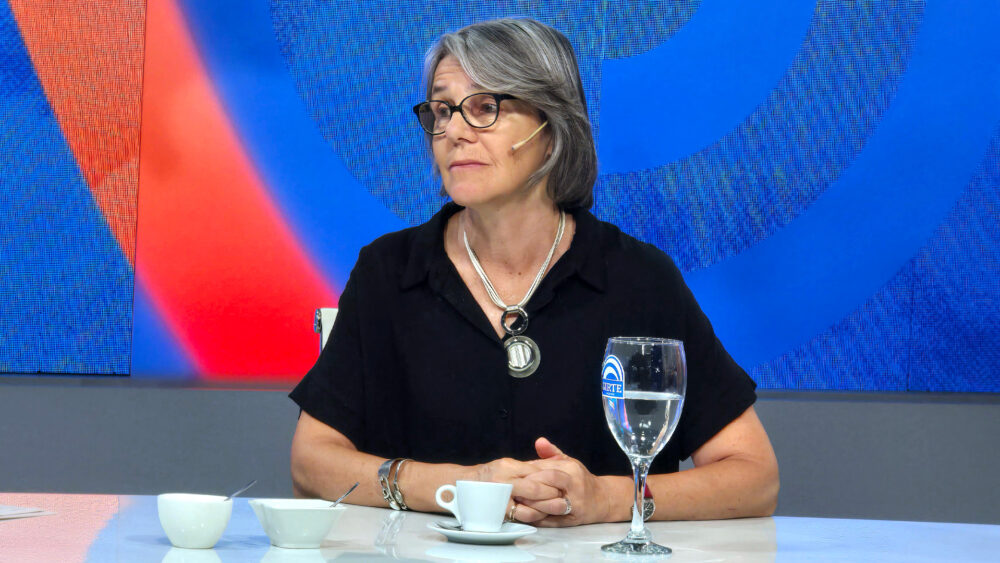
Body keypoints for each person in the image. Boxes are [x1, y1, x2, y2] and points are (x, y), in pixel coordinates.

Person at [289, 17, 778, 526]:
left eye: (485, 108)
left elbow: (754, 477)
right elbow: (311, 461)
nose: (453, 131)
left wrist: (608, 499)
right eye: (442, 110)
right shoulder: (388, 271)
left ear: (552, 127)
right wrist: (458, 488)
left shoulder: (638, 278)